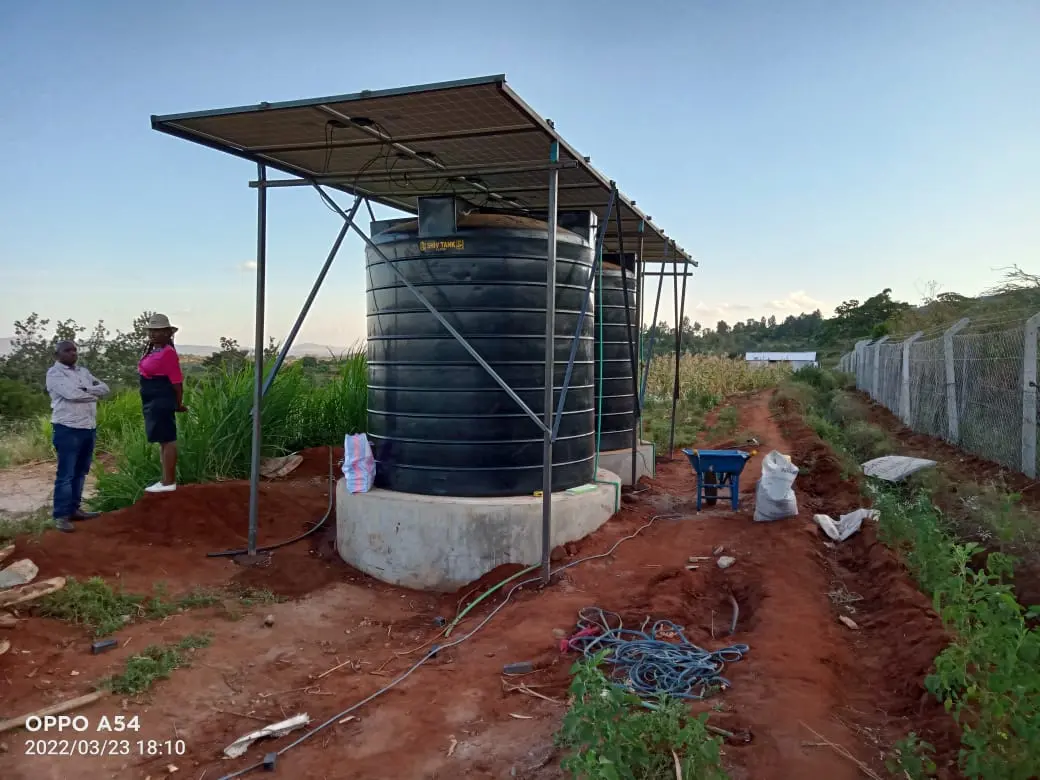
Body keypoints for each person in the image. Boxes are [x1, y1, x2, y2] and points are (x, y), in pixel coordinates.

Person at [46, 341, 109, 532]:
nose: (73, 353)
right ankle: (61, 515)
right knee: (66, 473)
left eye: (74, 350)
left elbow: (105, 388)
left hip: (88, 427)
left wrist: (86, 391)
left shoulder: (83, 371)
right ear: (57, 354)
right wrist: (92, 392)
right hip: (67, 428)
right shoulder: (54, 374)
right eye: (68, 350)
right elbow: (72, 394)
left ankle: (74, 509)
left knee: (81, 471)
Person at [138, 313, 186, 493]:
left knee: (167, 439)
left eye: (158, 331)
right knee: (162, 439)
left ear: (168, 333)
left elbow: (177, 382)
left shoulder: (168, 353)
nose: (153, 334)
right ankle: (165, 480)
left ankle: (168, 482)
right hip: (152, 399)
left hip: (161, 399)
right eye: (151, 330)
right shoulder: (153, 350)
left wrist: (178, 404)